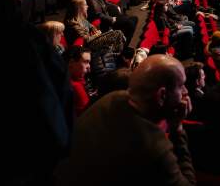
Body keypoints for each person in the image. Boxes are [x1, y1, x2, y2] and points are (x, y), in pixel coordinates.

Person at [57, 55, 196, 186]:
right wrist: (178, 129)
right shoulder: (156, 149)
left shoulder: (111, 98)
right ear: (162, 95)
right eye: (181, 85)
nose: (185, 91)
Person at [67, 46, 92, 116]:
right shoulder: (76, 87)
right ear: (71, 63)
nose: (89, 66)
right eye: (86, 62)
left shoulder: (78, 80)